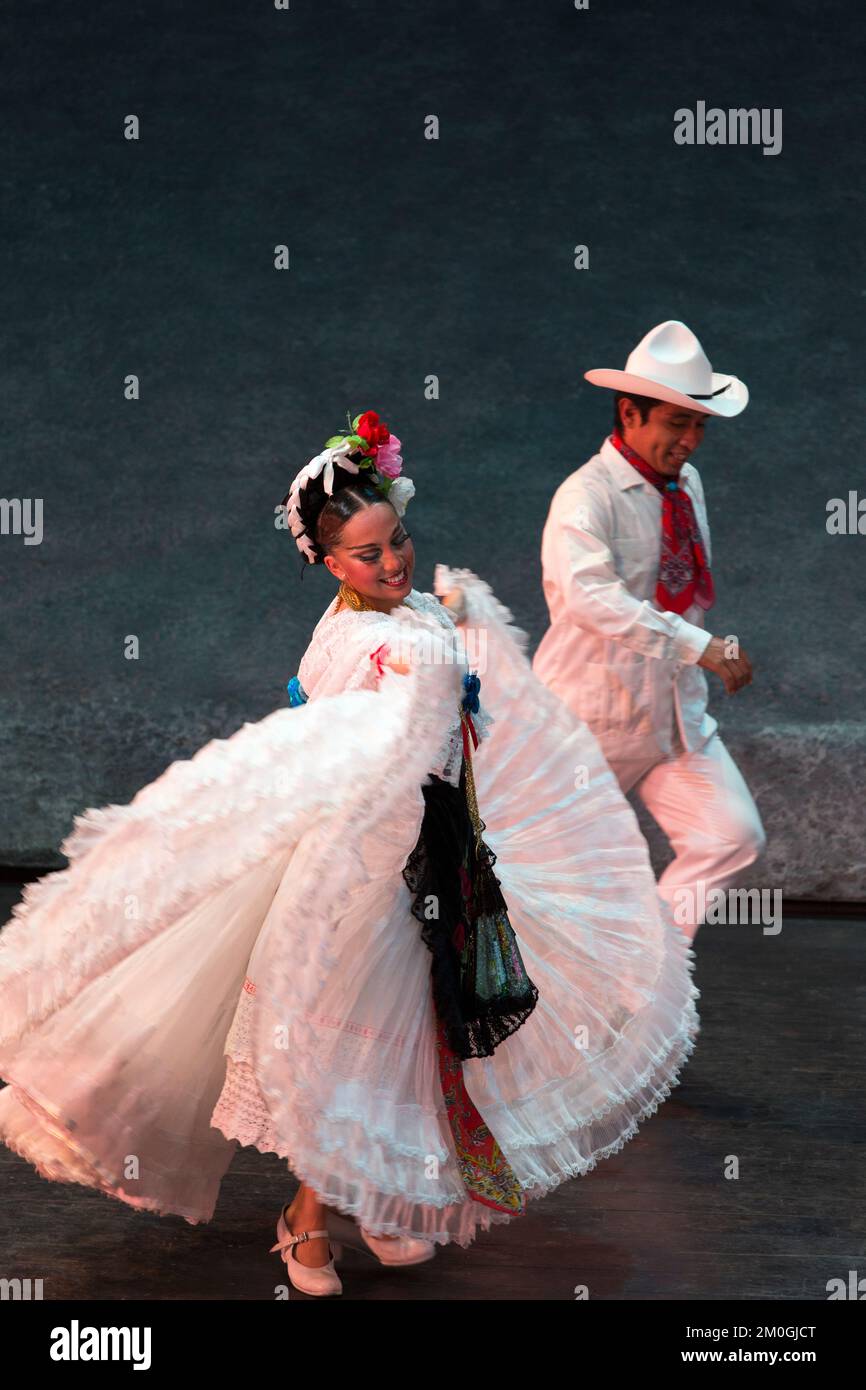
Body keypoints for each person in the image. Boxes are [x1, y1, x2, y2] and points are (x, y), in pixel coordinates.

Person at [0, 408, 700, 1298]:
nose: (393, 562)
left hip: (436, 861)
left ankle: (377, 1203)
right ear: (329, 566)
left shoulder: (407, 615)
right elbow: (362, 729)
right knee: (349, 1054)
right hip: (363, 880)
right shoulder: (357, 639)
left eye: (397, 540)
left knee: (414, 1046)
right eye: (368, 556)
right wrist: (423, 678)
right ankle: (305, 1220)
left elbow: (450, 720)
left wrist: (448, 635)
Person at [533, 321, 767, 941]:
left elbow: (684, 590)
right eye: (676, 423)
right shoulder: (586, 497)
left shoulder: (684, 486)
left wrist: (697, 654)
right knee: (556, 886)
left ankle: (648, 972)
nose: (690, 440)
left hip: (671, 719)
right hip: (588, 724)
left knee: (731, 835)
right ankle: (568, 1007)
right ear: (629, 413)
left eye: (699, 426)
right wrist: (700, 647)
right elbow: (591, 600)